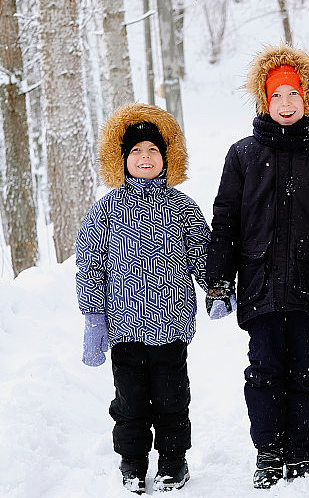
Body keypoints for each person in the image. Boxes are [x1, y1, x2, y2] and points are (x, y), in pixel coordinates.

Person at [205, 44, 309, 489]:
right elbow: (226, 219)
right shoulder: (242, 155)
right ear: (264, 100)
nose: (286, 103)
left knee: (306, 373)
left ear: (307, 98)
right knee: (265, 371)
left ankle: (302, 454)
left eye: (294, 94)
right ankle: (269, 452)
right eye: (277, 95)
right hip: (259, 282)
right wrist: (218, 278)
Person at [76, 103, 210, 494]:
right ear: (121, 159)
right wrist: (94, 318)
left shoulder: (181, 206)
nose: (145, 156)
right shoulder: (106, 210)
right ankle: (132, 462)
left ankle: (173, 461)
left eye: (153, 149)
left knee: (172, 398)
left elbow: (202, 252)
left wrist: (216, 289)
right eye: (136, 150)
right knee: (130, 402)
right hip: (124, 327)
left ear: (167, 157)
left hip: (171, 323)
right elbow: (90, 265)